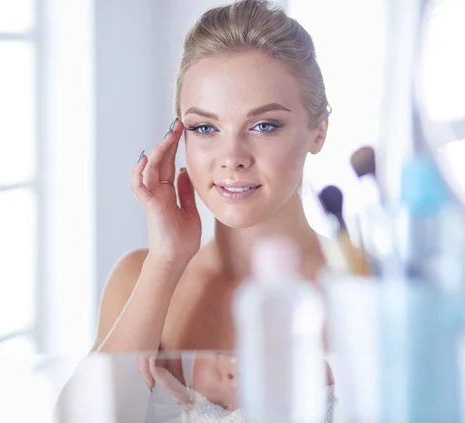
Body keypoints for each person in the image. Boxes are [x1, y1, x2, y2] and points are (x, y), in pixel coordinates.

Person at [80, 0, 334, 419]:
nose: (231, 157)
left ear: (318, 131)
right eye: (205, 128)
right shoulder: (137, 278)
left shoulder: (366, 289)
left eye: (264, 125)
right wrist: (166, 261)